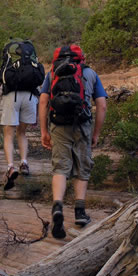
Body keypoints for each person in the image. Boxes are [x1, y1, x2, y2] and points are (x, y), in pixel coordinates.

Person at [38, 43, 107, 238]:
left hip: (58, 124)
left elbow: (43, 102)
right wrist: (96, 134)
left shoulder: (52, 74)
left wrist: (44, 131)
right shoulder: (90, 73)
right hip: (82, 125)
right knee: (82, 166)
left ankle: (57, 207)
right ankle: (80, 212)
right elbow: (101, 105)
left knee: (60, 167)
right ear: (81, 57)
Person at [0, 69, 39, 191]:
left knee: (8, 135)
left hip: (11, 97)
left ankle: (11, 167)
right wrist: (37, 112)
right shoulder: (32, 66)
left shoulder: (5, 67)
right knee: (22, 133)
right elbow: (39, 88)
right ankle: (24, 163)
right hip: (30, 98)